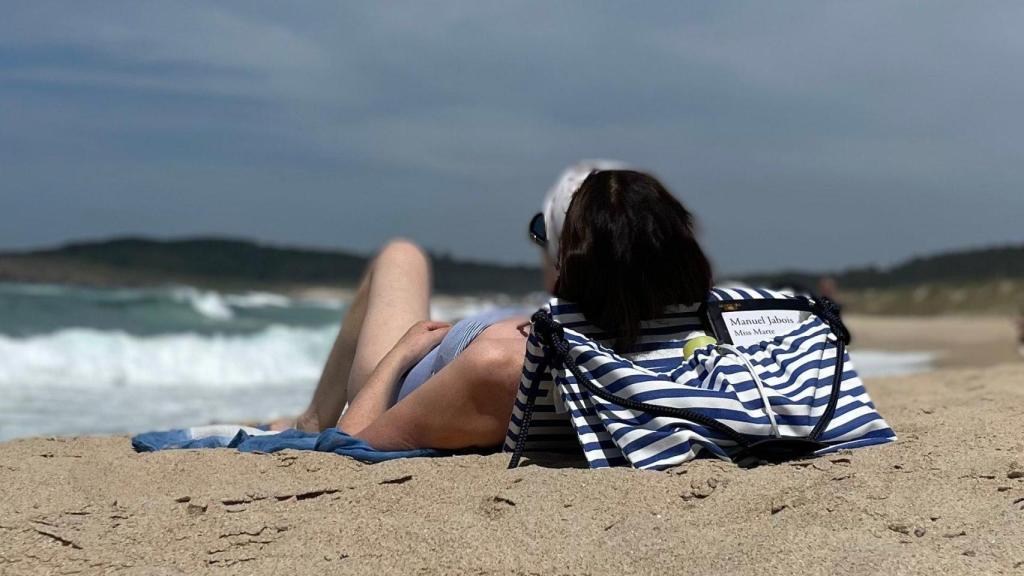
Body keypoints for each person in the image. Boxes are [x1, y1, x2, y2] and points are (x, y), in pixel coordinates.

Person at [283, 163, 712, 452]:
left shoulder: (506, 363)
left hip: (398, 386)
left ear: (568, 265)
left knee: (400, 254)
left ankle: (311, 418)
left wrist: (399, 357)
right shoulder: (698, 344)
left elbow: (351, 444)